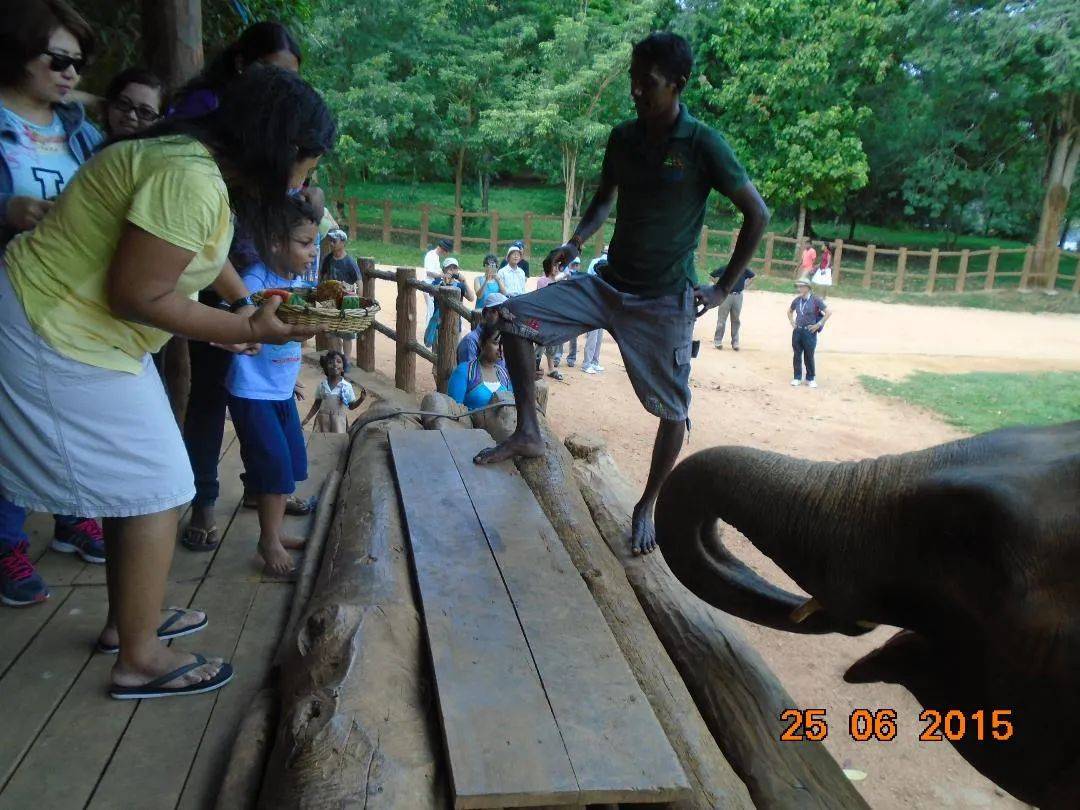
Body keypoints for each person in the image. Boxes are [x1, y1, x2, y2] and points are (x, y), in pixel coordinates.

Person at [0, 64, 335, 698]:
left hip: (89, 329)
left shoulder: (193, 163)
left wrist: (242, 307)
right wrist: (249, 329)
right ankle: (139, 658)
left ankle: (131, 623)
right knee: (159, 484)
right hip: (55, 323)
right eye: (305, 169)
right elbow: (138, 293)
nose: (302, 184)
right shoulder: (188, 177)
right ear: (279, 148)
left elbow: (202, 256)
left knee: (145, 483)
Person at [474, 32, 769, 555]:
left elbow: (758, 214)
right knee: (510, 317)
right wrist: (574, 242)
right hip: (607, 286)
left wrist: (724, 286)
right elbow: (603, 199)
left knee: (673, 411)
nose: (635, 91)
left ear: (677, 84)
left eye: (647, 82)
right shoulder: (623, 138)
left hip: (664, 301)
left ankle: (646, 504)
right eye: (633, 80)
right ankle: (528, 431)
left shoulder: (703, 144)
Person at [176, 22, 310, 554]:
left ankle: (264, 488)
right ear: (241, 66)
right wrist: (240, 304)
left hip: (246, 274)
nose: (283, 87)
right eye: (273, 73)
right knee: (211, 392)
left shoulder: (277, 126)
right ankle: (204, 500)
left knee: (261, 387)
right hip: (208, 269)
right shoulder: (207, 120)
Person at [0, 0, 106, 606]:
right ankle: (6, 542)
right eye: (59, 60)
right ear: (18, 51)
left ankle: (72, 515)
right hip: (8, 297)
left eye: (78, 63)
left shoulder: (79, 132)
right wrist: (6, 212)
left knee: (69, 410)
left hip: (70, 299)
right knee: (7, 419)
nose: (71, 74)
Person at [226, 196, 326, 575]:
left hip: (280, 387)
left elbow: (289, 338)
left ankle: (276, 532)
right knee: (273, 466)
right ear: (275, 242)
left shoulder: (296, 282)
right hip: (253, 391)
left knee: (290, 464)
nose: (312, 251)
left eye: (314, 242)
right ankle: (268, 541)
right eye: (304, 243)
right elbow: (240, 325)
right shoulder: (255, 281)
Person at [448, 327, 514, 411]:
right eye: (496, 343)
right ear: (481, 343)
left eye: (504, 344)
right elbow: (453, 411)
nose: (500, 348)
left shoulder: (504, 375)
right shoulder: (464, 372)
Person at [320, 228, 360, 362]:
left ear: (343, 243)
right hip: (330, 300)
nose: (331, 243)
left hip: (345, 302)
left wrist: (358, 302)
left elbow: (359, 282)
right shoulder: (328, 259)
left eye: (334, 241)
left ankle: (346, 360)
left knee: (346, 332)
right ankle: (336, 358)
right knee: (331, 331)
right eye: (330, 241)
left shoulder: (349, 262)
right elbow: (323, 276)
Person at [301, 350, 367, 433]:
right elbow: (317, 404)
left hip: (338, 423)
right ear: (325, 368)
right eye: (330, 362)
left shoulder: (346, 386)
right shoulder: (322, 386)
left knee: (337, 440)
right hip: (322, 421)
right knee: (322, 439)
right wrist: (307, 419)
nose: (335, 364)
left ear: (343, 368)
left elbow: (351, 406)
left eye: (338, 362)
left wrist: (361, 399)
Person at [789, 277, 831, 388]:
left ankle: (810, 378)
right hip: (798, 331)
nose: (799, 288)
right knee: (797, 355)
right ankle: (797, 377)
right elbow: (790, 311)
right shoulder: (797, 300)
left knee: (809, 355)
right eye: (798, 286)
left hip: (809, 332)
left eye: (801, 286)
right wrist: (792, 322)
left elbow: (828, 312)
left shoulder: (815, 300)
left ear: (808, 288)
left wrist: (818, 324)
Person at [423, 257, 474, 349]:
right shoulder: (438, 281)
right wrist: (443, 282)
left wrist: (464, 281)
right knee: (437, 352)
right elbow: (431, 293)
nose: (452, 270)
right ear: (444, 270)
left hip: (455, 325)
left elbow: (471, 298)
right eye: (449, 268)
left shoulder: (460, 285)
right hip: (439, 324)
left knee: (454, 352)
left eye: (454, 268)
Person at [102, 67, 162, 139]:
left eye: (145, 112)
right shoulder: (92, 138)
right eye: (124, 104)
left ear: (159, 121)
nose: (131, 115)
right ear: (109, 104)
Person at [535, 261, 568, 380]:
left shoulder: (561, 281)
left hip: (556, 316)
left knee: (553, 343)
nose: (556, 268)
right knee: (540, 342)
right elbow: (542, 297)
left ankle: (551, 369)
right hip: (544, 316)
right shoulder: (542, 280)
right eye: (554, 266)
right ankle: (535, 368)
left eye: (558, 266)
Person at [710, 266, 755, 350]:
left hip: (738, 296)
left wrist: (745, 285)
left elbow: (753, 276)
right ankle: (718, 341)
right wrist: (719, 285)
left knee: (736, 320)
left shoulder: (743, 268)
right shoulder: (724, 268)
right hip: (725, 295)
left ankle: (735, 342)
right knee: (721, 320)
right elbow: (712, 276)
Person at [458, 292, 508, 364]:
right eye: (496, 311)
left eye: (505, 311)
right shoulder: (470, 341)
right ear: (486, 314)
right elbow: (468, 369)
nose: (502, 316)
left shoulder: (503, 337)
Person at [555, 257, 583, 367]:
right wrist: (566, 275)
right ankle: (557, 357)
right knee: (560, 334)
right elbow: (555, 279)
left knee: (573, 336)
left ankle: (571, 358)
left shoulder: (580, 278)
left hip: (574, 310)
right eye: (573, 265)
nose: (575, 267)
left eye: (577, 265)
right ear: (569, 265)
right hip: (562, 309)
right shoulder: (563, 276)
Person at [422, 237, 452, 331]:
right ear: (444, 249)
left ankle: (431, 330)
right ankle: (428, 331)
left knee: (433, 309)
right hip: (429, 285)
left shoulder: (436, 256)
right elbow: (429, 272)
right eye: (446, 251)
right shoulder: (431, 255)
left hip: (434, 285)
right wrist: (442, 275)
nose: (446, 253)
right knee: (431, 310)